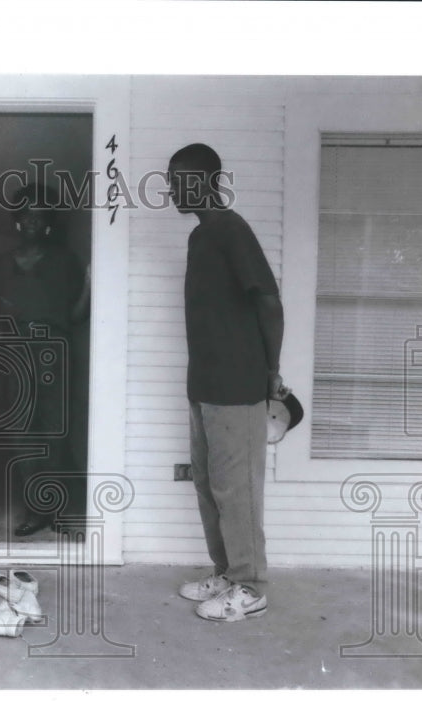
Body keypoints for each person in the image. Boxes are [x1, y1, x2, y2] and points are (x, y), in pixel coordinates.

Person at [167, 143, 286, 622]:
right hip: (204, 384)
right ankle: (227, 572)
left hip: (238, 385)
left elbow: (269, 302)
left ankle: (251, 587)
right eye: (170, 181)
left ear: (208, 181)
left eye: (180, 181)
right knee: (210, 484)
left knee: (237, 489)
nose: (172, 190)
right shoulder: (201, 235)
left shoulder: (232, 229)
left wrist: (271, 371)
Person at [0, 184, 86, 537]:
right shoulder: (1, 266)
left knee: (55, 432)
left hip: (55, 352)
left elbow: (76, 314)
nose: (32, 220)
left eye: (39, 215)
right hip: (17, 355)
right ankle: (34, 509)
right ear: (17, 219)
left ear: (48, 223)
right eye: (26, 213)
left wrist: (90, 284)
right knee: (23, 433)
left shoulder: (64, 262)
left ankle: (55, 509)